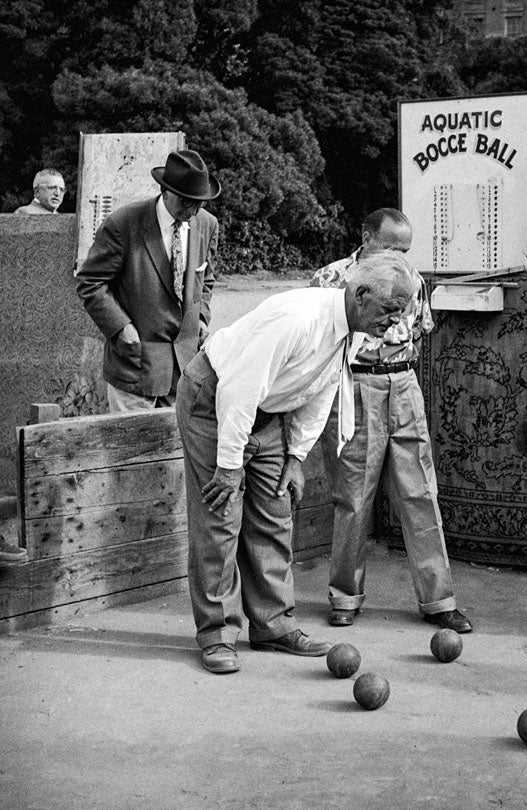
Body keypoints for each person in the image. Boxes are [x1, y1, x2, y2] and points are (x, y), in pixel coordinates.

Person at [176, 250, 417, 674]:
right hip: (214, 401)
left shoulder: (354, 328)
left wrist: (295, 456)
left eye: (400, 312)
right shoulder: (299, 319)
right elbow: (238, 390)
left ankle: (273, 625)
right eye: (389, 310)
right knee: (221, 517)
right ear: (360, 294)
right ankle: (217, 634)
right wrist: (229, 465)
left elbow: (321, 388)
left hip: (268, 412)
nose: (395, 322)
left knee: (275, 512)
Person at [311, 208, 473, 634]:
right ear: (366, 237)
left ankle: (439, 601)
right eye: (390, 247)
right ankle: (345, 596)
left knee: (421, 494)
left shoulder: (412, 280)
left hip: (403, 384)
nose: (399, 257)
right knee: (353, 498)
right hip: (354, 386)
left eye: (405, 250)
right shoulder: (331, 278)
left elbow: (420, 330)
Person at [76, 149, 219, 412]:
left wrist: (201, 317)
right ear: (165, 191)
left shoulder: (207, 225)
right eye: (186, 201)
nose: (193, 210)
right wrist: (121, 328)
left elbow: (206, 278)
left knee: (174, 440)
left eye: (200, 203)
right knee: (132, 440)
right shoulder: (123, 224)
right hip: (135, 367)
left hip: (183, 372)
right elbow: (90, 282)